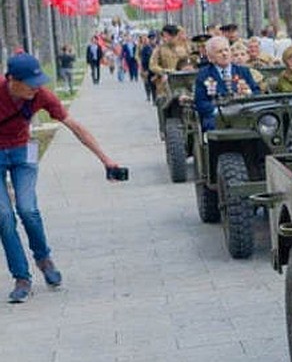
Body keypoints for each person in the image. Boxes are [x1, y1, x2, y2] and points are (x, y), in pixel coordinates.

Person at [1, 54, 122, 303]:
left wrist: (106, 160)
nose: (36, 87)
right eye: (30, 82)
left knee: (28, 209)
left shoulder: (42, 95)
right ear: (11, 79)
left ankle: (44, 259)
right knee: (3, 217)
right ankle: (21, 278)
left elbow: (75, 126)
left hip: (25, 152)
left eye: (38, 81)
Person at [192, 35, 260, 131]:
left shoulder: (243, 71)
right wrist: (218, 111)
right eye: (219, 52)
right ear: (211, 57)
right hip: (217, 116)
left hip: (244, 113)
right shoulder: (204, 74)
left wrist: (248, 94)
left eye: (226, 50)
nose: (224, 54)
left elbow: (257, 92)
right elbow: (200, 102)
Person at [148, 24, 191, 98]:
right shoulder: (159, 49)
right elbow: (152, 65)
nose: (166, 38)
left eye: (168, 36)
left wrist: (187, 68)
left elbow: (189, 61)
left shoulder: (183, 48)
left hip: (181, 83)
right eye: (165, 36)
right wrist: (164, 71)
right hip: (164, 85)